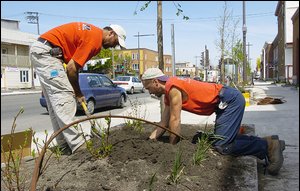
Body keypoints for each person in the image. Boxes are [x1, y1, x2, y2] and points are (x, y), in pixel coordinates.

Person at [141, 67, 285, 175]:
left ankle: (268, 146)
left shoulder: (173, 88)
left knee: (223, 146)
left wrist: (172, 147)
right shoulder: (168, 94)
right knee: (219, 139)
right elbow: (164, 123)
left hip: (230, 100)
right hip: (223, 102)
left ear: (155, 82)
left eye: (148, 88)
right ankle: (268, 141)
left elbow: (175, 120)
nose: (149, 92)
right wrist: (150, 139)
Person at [30, 22, 126, 155]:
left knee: (55, 103)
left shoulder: (92, 34)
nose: (113, 46)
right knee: (64, 97)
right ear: (111, 33)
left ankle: (63, 145)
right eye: (115, 42)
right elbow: (71, 69)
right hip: (47, 54)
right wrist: (78, 93)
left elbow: (74, 66)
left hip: (44, 51)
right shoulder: (94, 40)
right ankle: (77, 144)